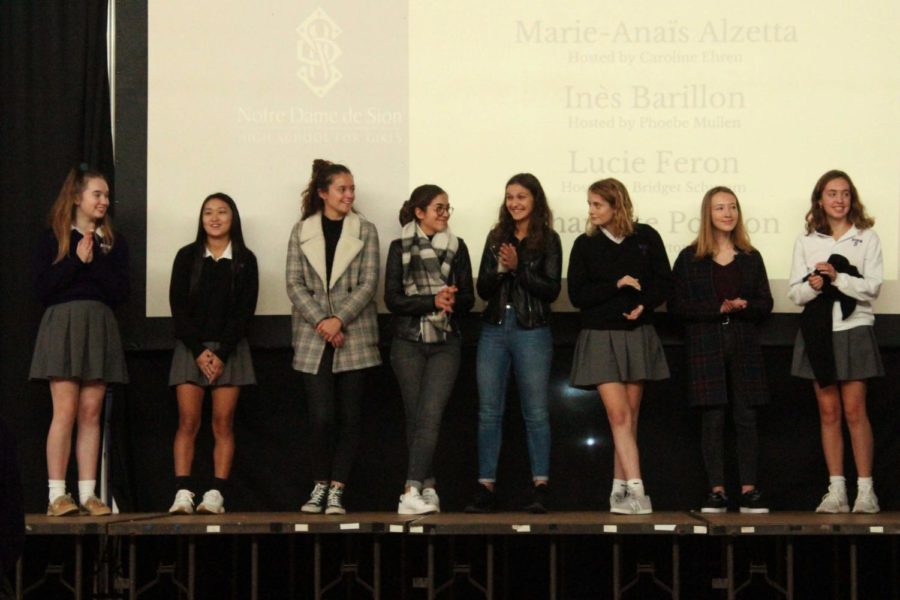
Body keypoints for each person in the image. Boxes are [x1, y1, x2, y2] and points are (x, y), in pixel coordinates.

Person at [568, 178, 672, 515]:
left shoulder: (646, 237)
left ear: (617, 205)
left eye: (598, 204)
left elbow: (663, 282)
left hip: (636, 335)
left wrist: (644, 304)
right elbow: (578, 296)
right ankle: (640, 492)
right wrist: (617, 284)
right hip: (599, 335)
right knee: (618, 414)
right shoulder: (585, 245)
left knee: (628, 419)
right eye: (590, 204)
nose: (591, 211)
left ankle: (619, 492)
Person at [30, 165, 129, 516]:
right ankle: (57, 494)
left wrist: (96, 257)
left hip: (99, 323)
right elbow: (43, 289)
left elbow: (120, 292)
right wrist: (76, 260)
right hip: (64, 323)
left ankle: (89, 493)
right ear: (77, 198)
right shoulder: (53, 237)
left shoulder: (112, 242)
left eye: (106, 196)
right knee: (66, 410)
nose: (104, 201)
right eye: (96, 195)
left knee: (91, 412)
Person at [670, 187, 773, 514]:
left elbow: (765, 302)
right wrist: (718, 309)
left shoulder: (751, 256)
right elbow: (676, 306)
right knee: (712, 418)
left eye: (732, 207)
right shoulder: (690, 257)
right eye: (720, 208)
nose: (727, 213)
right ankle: (716, 491)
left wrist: (743, 307)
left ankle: (748, 491)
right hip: (706, 343)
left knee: (746, 417)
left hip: (743, 341)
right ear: (708, 214)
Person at [287, 159, 380, 515]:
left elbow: (369, 283)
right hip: (314, 338)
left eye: (352, 189)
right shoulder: (301, 230)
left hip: (354, 334)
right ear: (323, 193)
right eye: (342, 188)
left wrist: (338, 319)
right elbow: (294, 284)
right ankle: (319, 484)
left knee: (350, 417)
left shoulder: (366, 230)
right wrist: (323, 322)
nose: (349, 195)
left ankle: (338, 489)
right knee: (321, 417)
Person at [788, 170, 883, 514]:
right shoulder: (807, 241)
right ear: (820, 200)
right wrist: (812, 285)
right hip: (818, 333)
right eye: (832, 193)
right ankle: (836, 489)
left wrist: (837, 277)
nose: (839, 200)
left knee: (855, 410)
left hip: (853, 328)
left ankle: (866, 491)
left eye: (845, 193)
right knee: (829, 412)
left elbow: (872, 287)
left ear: (851, 199)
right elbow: (795, 294)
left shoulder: (866, 237)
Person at [465, 173, 562, 514]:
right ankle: (485, 487)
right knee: (489, 412)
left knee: (535, 412)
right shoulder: (496, 236)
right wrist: (502, 271)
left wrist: (519, 269)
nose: (515, 203)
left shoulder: (548, 239)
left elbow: (551, 290)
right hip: (494, 327)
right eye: (509, 197)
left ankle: (540, 486)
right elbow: (483, 290)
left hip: (532, 328)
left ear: (535, 199)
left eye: (521, 196)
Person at [167, 193, 258, 515]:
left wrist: (222, 353)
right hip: (190, 350)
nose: (214, 218)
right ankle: (182, 493)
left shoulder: (245, 259)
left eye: (222, 212)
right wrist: (198, 351)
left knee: (223, 423)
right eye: (208, 212)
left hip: (230, 350)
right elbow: (178, 308)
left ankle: (216, 494)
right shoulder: (186, 256)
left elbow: (245, 313)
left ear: (233, 218)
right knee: (187, 421)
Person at [385, 184, 474, 515]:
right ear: (419, 212)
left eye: (448, 208)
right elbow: (392, 299)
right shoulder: (399, 248)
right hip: (408, 341)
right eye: (439, 208)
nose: (445, 214)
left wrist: (452, 300)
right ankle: (426, 487)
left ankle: (411, 489)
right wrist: (430, 301)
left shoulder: (457, 247)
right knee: (416, 416)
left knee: (431, 415)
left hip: (446, 342)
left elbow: (470, 298)